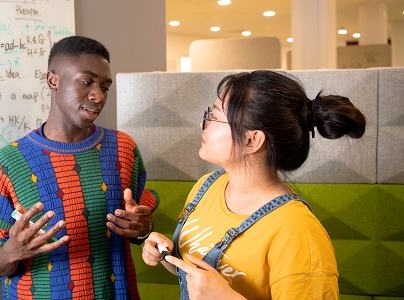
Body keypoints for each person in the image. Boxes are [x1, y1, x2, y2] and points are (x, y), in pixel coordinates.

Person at [141, 70, 366, 300]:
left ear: (252, 140)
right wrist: (166, 255)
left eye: (214, 116)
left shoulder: (299, 233)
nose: (202, 123)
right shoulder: (205, 188)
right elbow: (198, 281)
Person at [0, 36, 159, 300]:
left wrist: (144, 228)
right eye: (86, 82)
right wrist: (11, 251)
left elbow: (140, 225)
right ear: (53, 81)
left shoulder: (123, 148)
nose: (97, 96)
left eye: (105, 87)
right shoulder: (7, 162)